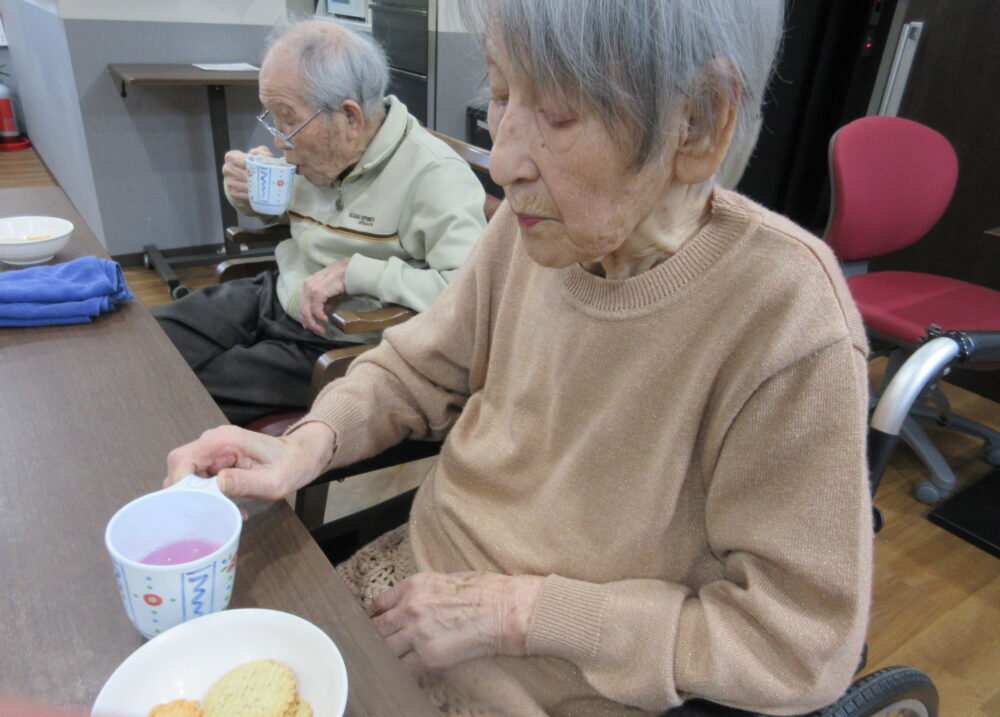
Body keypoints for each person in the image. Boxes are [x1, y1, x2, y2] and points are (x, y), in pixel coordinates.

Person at [164, 2, 874, 715]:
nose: (502, 160)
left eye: (559, 114)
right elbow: (415, 366)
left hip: (550, 681)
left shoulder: (786, 318)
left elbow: (798, 645)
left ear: (697, 121)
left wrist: (521, 612)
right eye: (502, 94)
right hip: (409, 586)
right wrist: (306, 445)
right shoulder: (533, 230)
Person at [154, 20, 486, 425]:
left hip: (343, 337)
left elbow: (470, 296)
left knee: (182, 393)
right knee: (154, 342)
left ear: (349, 118)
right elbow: (282, 210)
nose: (279, 139)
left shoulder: (434, 175)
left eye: (287, 119)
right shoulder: (320, 156)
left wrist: (356, 273)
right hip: (276, 293)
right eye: (272, 118)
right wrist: (245, 193)